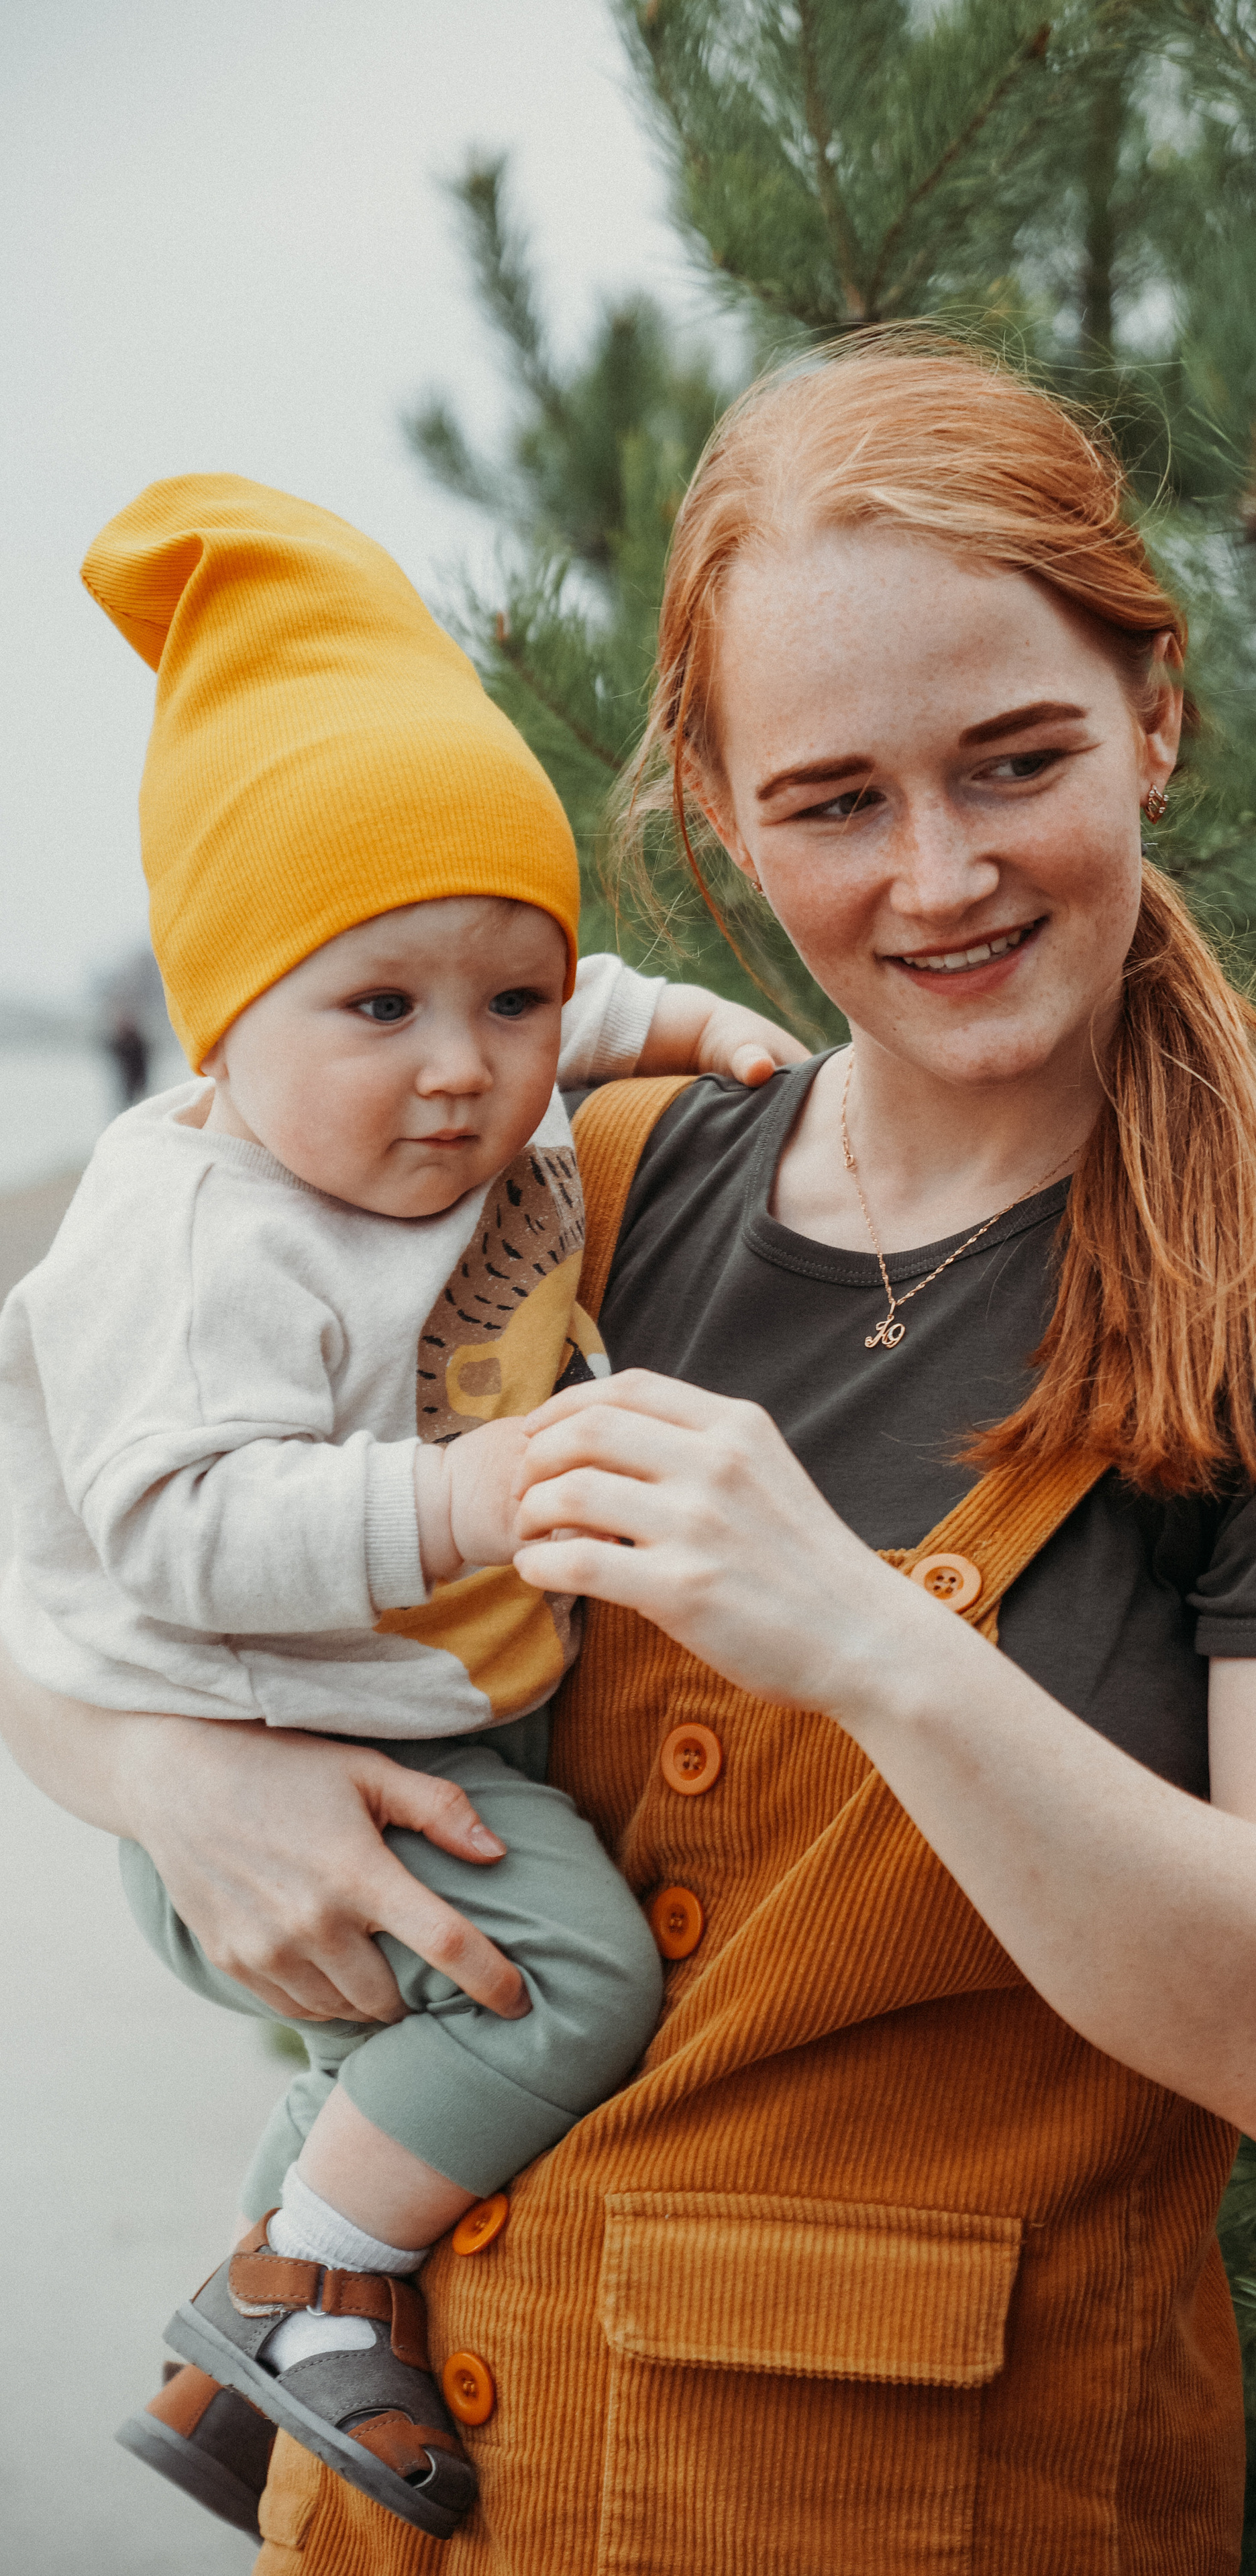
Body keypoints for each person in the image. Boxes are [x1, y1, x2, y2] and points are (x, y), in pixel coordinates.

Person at [0, 343, 1256, 2575]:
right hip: (400, 2518)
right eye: (832, 803)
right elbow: (86, 1526)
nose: (940, 878)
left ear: (1158, 719)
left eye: (1018, 764)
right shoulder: (564, 1185)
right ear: (713, 808)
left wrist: (873, 1646)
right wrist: (176, 1784)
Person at [0, 476, 802, 2545]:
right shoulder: (200, 1240)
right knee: (565, 1986)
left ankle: (229, 2342)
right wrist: (460, 1493)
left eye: (508, 1004)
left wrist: (680, 1025)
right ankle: (318, 2288)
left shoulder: (485, 1061)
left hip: (417, 1706)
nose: (466, 1075)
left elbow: (562, 983)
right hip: (274, 1748)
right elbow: (176, 1523)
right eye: (382, 1011)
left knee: (458, 2009)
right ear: (226, 1016)